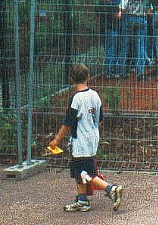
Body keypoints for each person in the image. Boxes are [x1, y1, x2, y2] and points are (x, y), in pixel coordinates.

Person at [49, 64, 123, 213]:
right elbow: (100, 118)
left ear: (71, 79)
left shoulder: (76, 99)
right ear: (88, 77)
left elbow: (68, 123)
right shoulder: (95, 95)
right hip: (93, 137)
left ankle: (110, 189)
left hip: (80, 141)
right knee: (79, 170)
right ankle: (82, 200)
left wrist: (56, 140)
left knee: (85, 172)